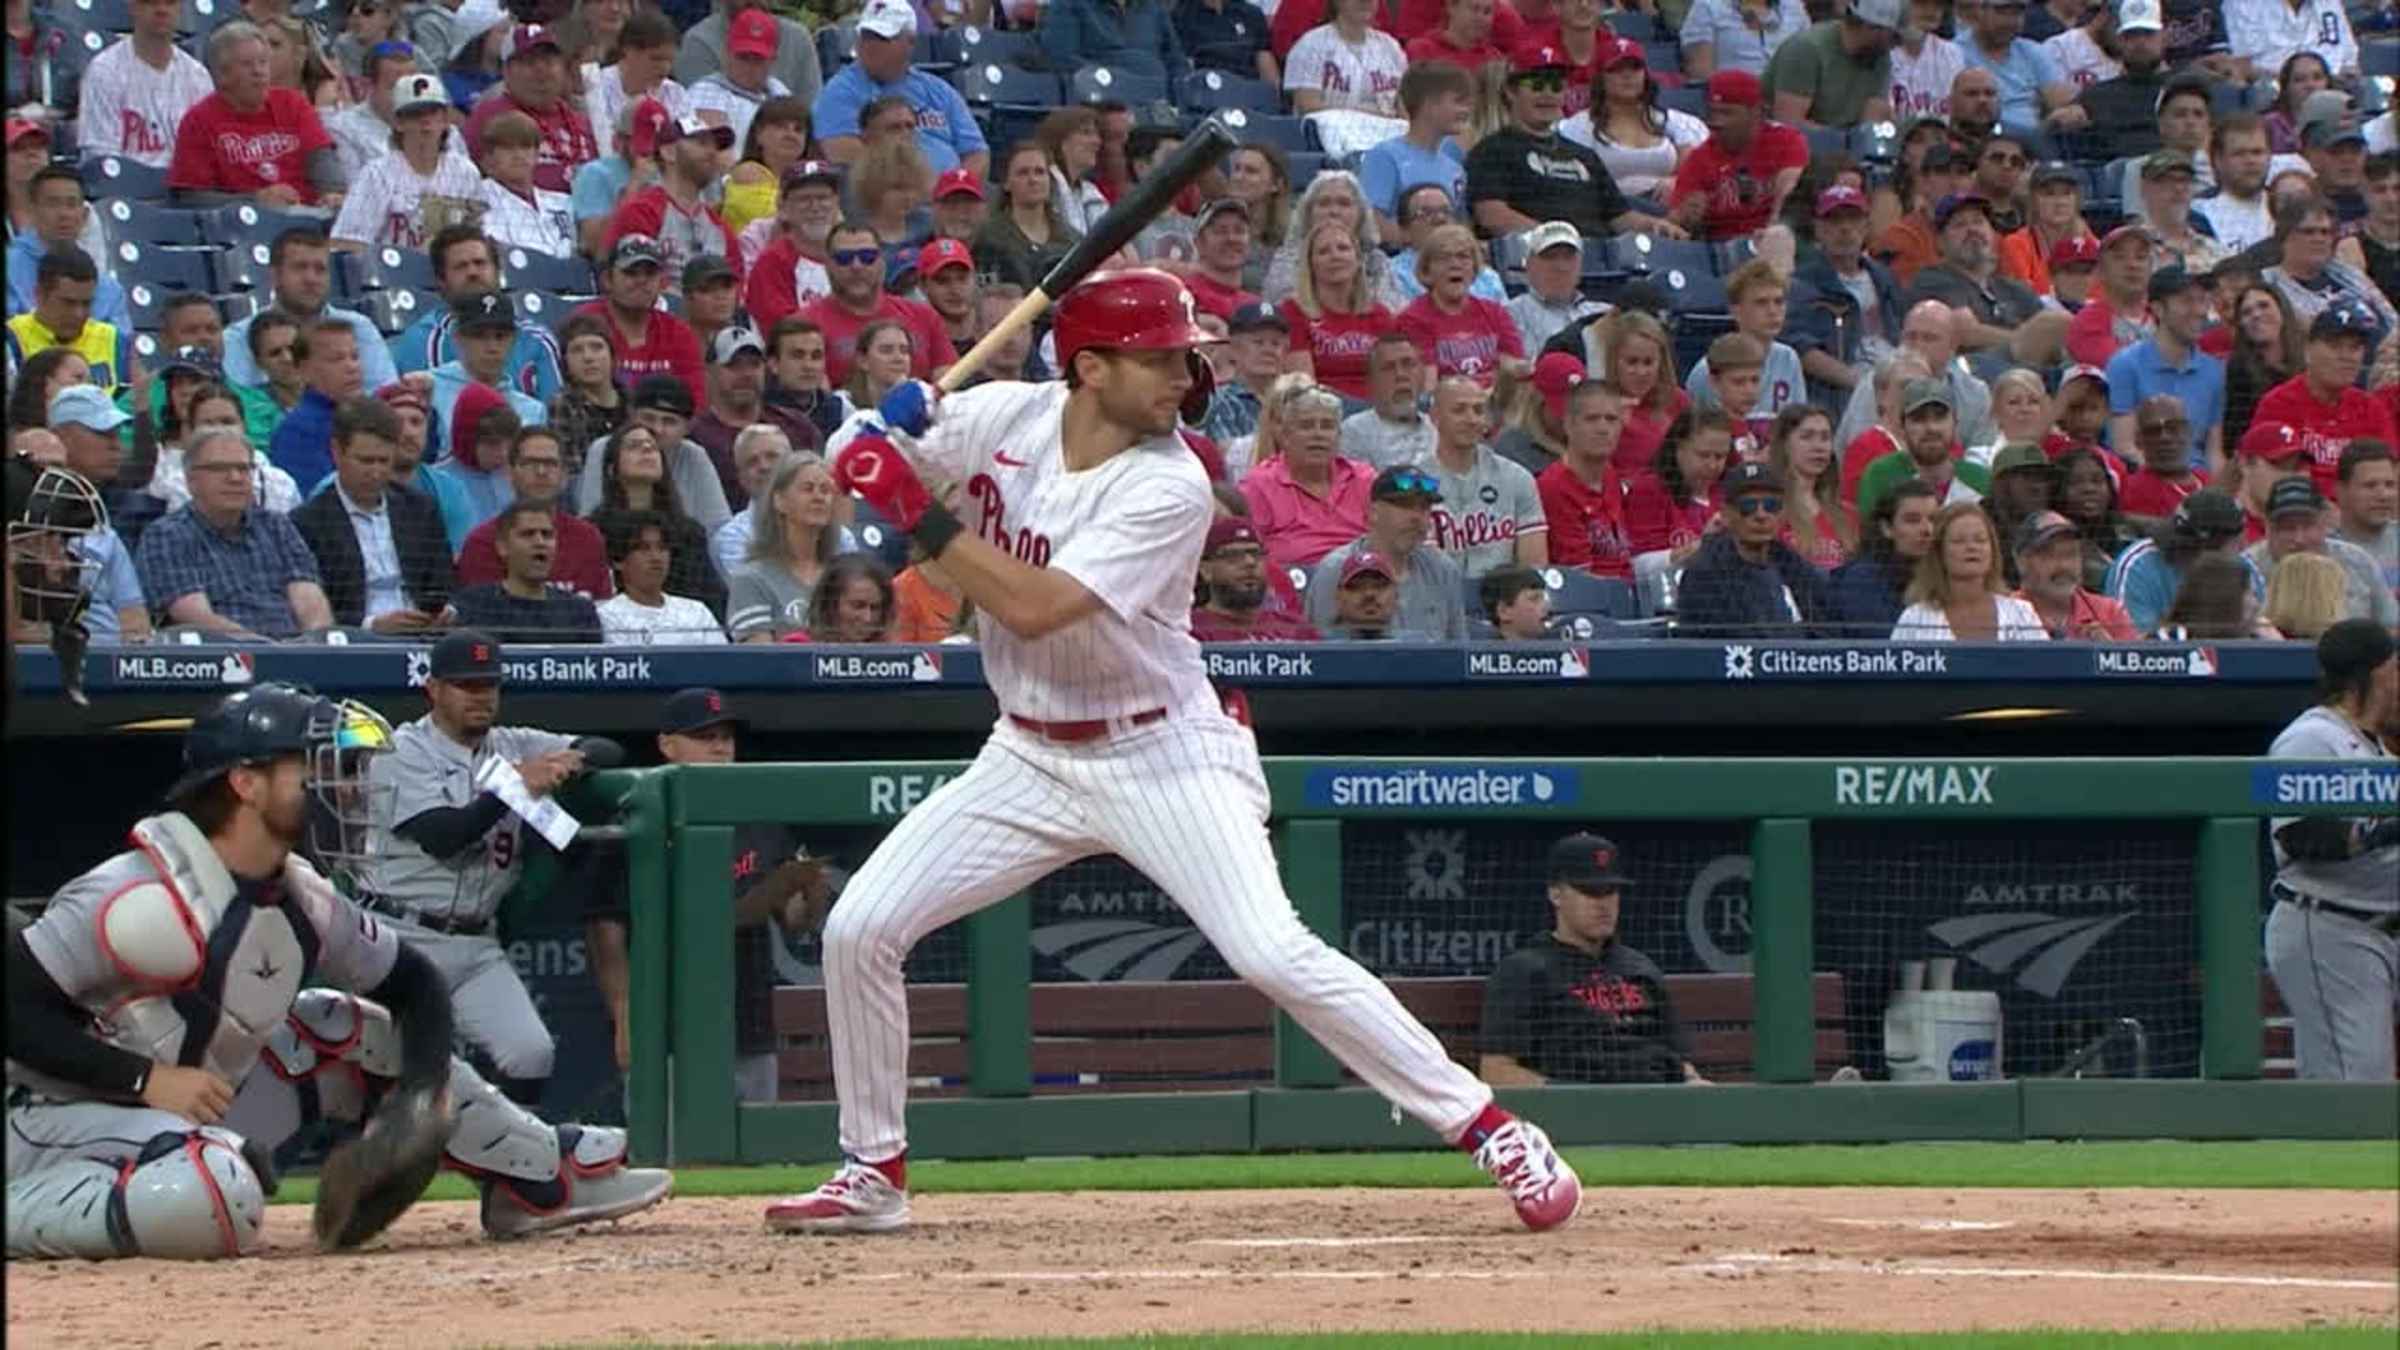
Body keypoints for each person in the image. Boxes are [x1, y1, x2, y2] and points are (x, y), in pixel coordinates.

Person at [767, 272, 1574, 1231]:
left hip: (1164, 752)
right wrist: (873, 429)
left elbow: (1031, 606)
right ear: (1090, 367)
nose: (1182, 374)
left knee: (1271, 951)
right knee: (861, 928)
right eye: (1156, 358)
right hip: (1027, 753)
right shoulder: (999, 415)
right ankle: (873, 1170)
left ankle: (1489, 1129)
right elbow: (859, 452)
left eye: (1185, 356)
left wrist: (913, 505)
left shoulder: (1171, 483)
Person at [2, 684, 672, 1260]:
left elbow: (415, 985)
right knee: (213, 1194)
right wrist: (147, 1080)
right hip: (50, 1126)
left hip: (193, 1113)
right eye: (316, 771)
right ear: (246, 783)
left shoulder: (301, 893)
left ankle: (539, 1179)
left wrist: (417, 1101)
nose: (344, 788)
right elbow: (13, 1013)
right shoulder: (134, 897)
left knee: (347, 1025)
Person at [356, 631, 619, 1106]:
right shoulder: (402, 750)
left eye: (488, 685)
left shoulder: (514, 742)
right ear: (433, 689)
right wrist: (513, 785)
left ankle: (506, 1162)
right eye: (465, 685)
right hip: (401, 934)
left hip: (476, 941)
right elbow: (444, 837)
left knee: (530, 1051)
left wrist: (570, 762)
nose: (480, 696)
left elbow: (607, 749)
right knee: (386, 1067)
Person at [585, 687, 824, 1098]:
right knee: (671, 1151)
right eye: (704, 737)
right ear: (667, 745)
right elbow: (606, 932)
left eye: (726, 737)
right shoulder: (636, 816)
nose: (719, 748)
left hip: (746, 1020)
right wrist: (626, 1018)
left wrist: (812, 889)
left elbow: (795, 920)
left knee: (752, 1153)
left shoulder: (758, 812)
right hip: (667, 1022)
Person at [2263, 618, 2400, 1075]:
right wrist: (2380, 832)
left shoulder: (2376, 745)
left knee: (2351, 1081)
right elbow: (2299, 834)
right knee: (2357, 1087)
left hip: (2374, 927)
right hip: (2328, 923)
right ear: (2377, 673)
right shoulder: (2312, 737)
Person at [1478, 833, 1705, 1087]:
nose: (1603, 904)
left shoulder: (1640, 966)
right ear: (1556, 895)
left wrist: (1695, 1085)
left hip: (1657, 1104)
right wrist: (1577, 1100)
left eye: (1610, 891)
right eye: (1590, 892)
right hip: (1576, 1109)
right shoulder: (1524, 970)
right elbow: (1497, 1072)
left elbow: (1680, 1062)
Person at [132, 428, 331, 641]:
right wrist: (269, 651)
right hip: (219, 660)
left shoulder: (277, 526)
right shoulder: (166, 535)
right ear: (191, 480)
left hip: (296, 655)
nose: (235, 478)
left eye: (243, 468)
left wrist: (313, 645)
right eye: (219, 469)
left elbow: (310, 601)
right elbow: (196, 618)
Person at [1470, 45, 1680, 240]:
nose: (1547, 95)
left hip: (1600, 258)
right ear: (1511, 91)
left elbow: (1620, 218)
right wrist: (1558, 240)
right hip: (1539, 259)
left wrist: (1656, 226)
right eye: (1537, 85)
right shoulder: (1492, 150)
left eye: (1556, 86)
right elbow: (1492, 216)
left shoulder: (1584, 155)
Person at [290, 397, 451, 632]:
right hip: (354, 644)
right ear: (337, 452)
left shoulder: (421, 509)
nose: (376, 473)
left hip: (422, 635)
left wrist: (446, 610)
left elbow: (444, 581)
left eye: (384, 461)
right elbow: (314, 607)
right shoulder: (308, 522)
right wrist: (372, 626)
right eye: (365, 461)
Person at [168, 22, 340, 208]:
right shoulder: (198, 121)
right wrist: (256, 200)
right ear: (222, 75)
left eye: (263, 62)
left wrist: (332, 195)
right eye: (247, 64)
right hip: (242, 227)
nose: (259, 72)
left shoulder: (294, 104)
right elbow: (191, 198)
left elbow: (323, 165)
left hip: (307, 218)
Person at [809, 0, 982, 176]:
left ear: (910, 42)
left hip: (950, 197)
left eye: (883, 38)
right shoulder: (840, 91)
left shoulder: (939, 90)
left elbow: (977, 152)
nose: (871, 45)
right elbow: (842, 152)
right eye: (866, 36)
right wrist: (912, 188)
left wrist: (956, 190)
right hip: (886, 195)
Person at [1304, 463, 1470, 639]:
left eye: (1423, 508)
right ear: (1373, 512)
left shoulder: (1442, 570)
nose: (1416, 517)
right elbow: (1318, 651)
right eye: (1404, 506)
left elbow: (1459, 650)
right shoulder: (1337, 569)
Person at [1674, 460, 1831, 637]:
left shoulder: (1793, 565)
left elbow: (1828, 631)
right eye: (1747, 506)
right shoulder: (1706, 575)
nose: (1761, 515)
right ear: (1726, 514)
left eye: (1771, 505)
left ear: (1783, 513)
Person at [454, 426, 614, 601]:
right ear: (510, 472)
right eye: (530, 463)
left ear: (565, 474)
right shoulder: (483, 542)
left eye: (550, 464)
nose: (541, 472)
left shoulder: (588, 539)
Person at [798, 222, 958, 390]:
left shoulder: (924, 316)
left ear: (882, 262)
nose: (856, 266)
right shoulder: (805, 324)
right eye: (844, 258)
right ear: (827, 265)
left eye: (867, 257)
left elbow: (948, 381)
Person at [1238, 376, 1374, 570]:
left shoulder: (1363, 479)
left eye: (1327, 426)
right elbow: (1249, 555)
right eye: (1307, 426)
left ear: (1339, 437)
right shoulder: (1258, 485)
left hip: (1361, 579)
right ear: (1284, 436)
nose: (1318, 434)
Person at [2103, 266, 2226, 475]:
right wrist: (2173, 481)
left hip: (2198, 482)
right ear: (2159, 309)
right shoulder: (2126, 365)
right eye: (2187, 301)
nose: (2199, 311)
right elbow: (2124, 446)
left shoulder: (2214, 371)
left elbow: (2213, 451)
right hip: (2147, 477)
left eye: (2203, 300)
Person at [1419, 375, 1547, 578]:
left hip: (1504, 601)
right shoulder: (1415, 481)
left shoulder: (1517, 478)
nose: (1471, 419)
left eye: (1478, 410)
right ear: (1435, 417)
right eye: (1459, 410)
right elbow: (1423, 570)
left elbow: (1534, 568)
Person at [1904, 192, 2055, 360]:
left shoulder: (2013, 288)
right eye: (1959, 225)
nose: (1972, 230)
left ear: (1993, 234)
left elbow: (2050, 329)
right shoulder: (1933, 280)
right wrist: (2029, 342)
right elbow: (1967, 332)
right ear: (1940, 242)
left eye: (1978, 221)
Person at [1789, 186, 1903, 403]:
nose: (1845, 228)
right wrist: (1859, 382)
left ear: (1866, 226)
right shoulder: (1802, 283)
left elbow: (1903, 332)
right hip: (1839, 391)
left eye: (1853, 219)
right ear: (1818, 229)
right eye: (1834, 220)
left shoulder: (1885, 278)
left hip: (1892, 377)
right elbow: (1802, 350)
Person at [1668, 70, 1805, 242]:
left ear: (1756, 112)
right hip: (1720, 247)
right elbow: (1674, 220)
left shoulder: (1786, 140)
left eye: (1727, 113)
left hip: (1774, 238)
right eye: (1713, 112)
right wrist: (1686, 217)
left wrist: (1773, 234)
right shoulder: (1700, 157)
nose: (1716, 122)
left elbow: (1789, 194)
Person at [75, 0, 215, 168]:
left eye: (170, 3)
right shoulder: (105, 70)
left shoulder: (197, 76)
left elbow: (207, 154)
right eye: (150, 2)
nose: (162, 10)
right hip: (125, 188)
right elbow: (102, 157)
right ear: (133, 8)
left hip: (184, 188)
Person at [2243, 477, 2400, 626]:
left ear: (2324, 522)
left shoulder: (2358, 562)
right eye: (2287, 528)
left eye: (2308, 526)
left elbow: (2392, 625)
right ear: (2268, 528)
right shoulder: (2246, 570)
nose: (2299, 539)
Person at [2106, 487, 2262, 632]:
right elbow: (2131, 646)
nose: (2181, 550)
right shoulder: (2138, 565)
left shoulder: (2243, 568)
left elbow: (2262, 635)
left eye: (2197, 547)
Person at [727, 449, 841, 641]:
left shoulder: (843, 575)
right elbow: (761, 661)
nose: (818, 497)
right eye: (808, 488)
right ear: (779, 501)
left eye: (825, 490)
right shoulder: (751, 579)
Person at [1890, 500, 2046, 640]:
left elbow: (2045, 669)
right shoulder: (1915, 619)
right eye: (1958, 541)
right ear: (1939, 552)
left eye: (1980, 540)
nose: (1972, 547)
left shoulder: (2021, 613)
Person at [1278, 220, 1396, 404]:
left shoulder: (1379, 314)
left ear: (1358, 260)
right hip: (1323, 411)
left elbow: (1392, 377)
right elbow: (1304, 387)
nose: (1335, 256)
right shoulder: (1293, 311)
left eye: (1343, 248)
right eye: (1324, 251)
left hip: (1377, 413)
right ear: (1310, 264)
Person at [1687, 258, 1807, 424]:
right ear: (1736, 311)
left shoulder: (1788, 358)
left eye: (1779, 302)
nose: (1773, 311)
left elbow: (1797, 423)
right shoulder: (1708, 370)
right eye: (1761, 303)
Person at [1358, 62, 1473, 233]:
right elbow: (1373, 224)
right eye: (1458, 102)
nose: (1467, 110)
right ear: (1429, 104)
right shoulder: (1385, 156)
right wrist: (1422, 243)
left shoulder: (1455, 168)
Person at [1538, 380, 1633, 581]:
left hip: (1625, 593)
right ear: (1568, 425)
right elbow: (1578, 575)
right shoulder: (1553, 486)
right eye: (1591, 419)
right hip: (1584, 600)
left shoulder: (1610, 475)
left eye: (1611, 419)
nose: (1603, 428)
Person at [1859, 379, 1991, 519]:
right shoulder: (1882, 475)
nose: (1931, 428)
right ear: (1902, 427)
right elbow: (1872, 536)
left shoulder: (1979, 479)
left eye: (1940, 417)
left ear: (1955, 423)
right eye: (1918, 419)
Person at [1624, 407, 1734, 575]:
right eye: (1703, 455)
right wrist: (1700, 548)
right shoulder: (1650, 488)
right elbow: (1638, 565)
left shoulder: (1730, 491)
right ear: (1679, 449)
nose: (1712, 465)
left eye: (1720, 457)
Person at [1957, 0, 2085, 142]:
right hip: (1980, 138)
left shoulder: (2032, 51)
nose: (2010, 21)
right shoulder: (1956, 53)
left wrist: (2069, 112)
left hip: (2036, 141)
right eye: (2002, 12)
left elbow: (2061, 101)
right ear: (1980, 10)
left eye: (2017, 13)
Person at [1760, 0, 1899, 130]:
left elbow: (1870, 123)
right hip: (1783, 146)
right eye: (1891, 34)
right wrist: (1842, 142)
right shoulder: (1807, 49)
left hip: (1842, 146)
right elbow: (1788, 123)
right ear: (1873, 28)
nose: (1892, 43)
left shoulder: (1879, 56)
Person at [595, 510, 729, 645]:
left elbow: (721, 662)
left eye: (662, 548)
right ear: (619, 561)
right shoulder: (607, 616)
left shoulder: (696, 612)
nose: (656, 557)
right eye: (643, 548)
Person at [1829, 475, 1939, 635]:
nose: (1927, 529)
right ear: (1887, 528)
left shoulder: (1946, 574)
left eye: (1934, 519)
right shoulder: (1861, 580)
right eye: (1913, 520)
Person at [2011, 507, 2138, 639]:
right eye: (2049, 555)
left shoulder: (2110, 613)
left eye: (2071, 554)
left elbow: (2131, 658)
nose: (2063, 565)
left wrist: (2108, 652)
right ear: (2022, 561)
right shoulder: (2006, 614)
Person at [975, 143, 1083, 295]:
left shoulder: (1072, 239)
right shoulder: (988, 237)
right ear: (1006, 183)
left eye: (1039, 172)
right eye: (1023, 173)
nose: (1033, 180)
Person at [1191, 516, 1322, 642]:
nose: (1250, 562)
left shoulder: (1295, 629)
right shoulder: (1191, 631)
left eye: (1256, 554)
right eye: (1233, 555)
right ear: (1205, 569)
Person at [1337, 333, 1436, 473]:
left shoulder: (1438, 429)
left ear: (1423, 374)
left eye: (1408, 364)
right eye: (1388, 368)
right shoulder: (1354, 432)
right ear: (1371, 382)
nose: (1401, 375)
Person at [2225, 282, 2306, 452]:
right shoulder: (2238, 372)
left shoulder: (2308, 364)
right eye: (2246, 312)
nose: (2256, 315)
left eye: (2264, 306)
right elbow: (2235, 437)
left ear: (2282, 311)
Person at [1204, 303, 1292, 454]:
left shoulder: (1298, 400)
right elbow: (1229, 457)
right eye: (1258, 342)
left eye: (1276, 343)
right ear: (1233, 349)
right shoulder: (1218, 401)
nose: (1268, 350)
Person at [2116, 392, 2206, 526]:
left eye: (2174, 428)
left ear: (2189, 432)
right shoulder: (2134, 487)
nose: (2165, 438)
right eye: (2153, 431)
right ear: (2139, 440)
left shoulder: (2206, 479)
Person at [1680, 0, 1811, 80]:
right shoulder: (1707, 6)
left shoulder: (1794, 6)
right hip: (1735, 102)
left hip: (1790, 100)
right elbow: (1701, 74)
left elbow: (1808, 62)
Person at [2332, 440, 2398, 588]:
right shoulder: (2323, 551)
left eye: (2390, 485)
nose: (2383, 495)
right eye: (2370, 485)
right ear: (2340, 492)